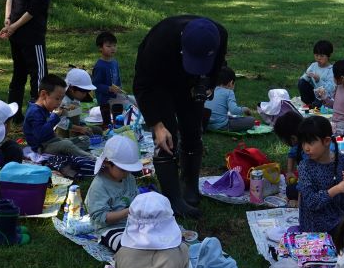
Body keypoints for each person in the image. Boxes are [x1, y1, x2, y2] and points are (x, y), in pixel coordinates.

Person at [133, 15, 228, 218]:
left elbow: (217, 66)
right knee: (167, 138)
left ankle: (190, 187)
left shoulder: (219, 35)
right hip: (160, 85)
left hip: (192, 85)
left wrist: (207, 85)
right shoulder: (159, 42)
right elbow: (142, 86)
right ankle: (173, 199)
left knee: (193, 130)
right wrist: (156, 124)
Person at [0, 0, 74, 117]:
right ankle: (38, 116)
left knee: (19, 74)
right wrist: (15, 25)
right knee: (40, 76)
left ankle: (13, 115)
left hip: (16, 34)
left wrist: (8, 20)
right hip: (31, 34)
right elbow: (35, 8)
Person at [297, 115, 344, 233]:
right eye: (303, 143)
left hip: (339, 216)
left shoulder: (341, 160)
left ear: (327, 141)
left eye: (310, 142)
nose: (306, 148)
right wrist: (337, 189)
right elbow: (311, 202)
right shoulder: (305, 166)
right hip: (315, 225)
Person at [86, 134, 143, 253]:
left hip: (133, 222)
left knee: (158, 233)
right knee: (126, 246)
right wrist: (129, 211)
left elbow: (135, 197)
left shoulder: (128, 177)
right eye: (123, 169)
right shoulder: (99, 186)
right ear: (107, 163)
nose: (127, 173)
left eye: (130, 169)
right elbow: (101, 218)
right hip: (110, 229)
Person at [22, 74, 94, 159]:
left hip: (53, 142)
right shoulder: (34, 112)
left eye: (61, 99)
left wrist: (63, 112)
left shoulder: (45, 107)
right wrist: (55, 116)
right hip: (41, 148)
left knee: (84, 140)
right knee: (66, 145)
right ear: (44, 94)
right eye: (57, 99)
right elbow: (40, 135)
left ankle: (68, 153)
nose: (59, 102)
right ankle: (92, 158)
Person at [56, 68, 97, 145]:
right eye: (83, 92)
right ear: (71, 88)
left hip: (74, 128)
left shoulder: (75, 97)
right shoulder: (61, 100)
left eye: (87, 92)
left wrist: (83, 126)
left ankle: (75, 139)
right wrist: (80, 129)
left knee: (97, 130)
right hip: (60, 131)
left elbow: (76, 117)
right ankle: (70, 141)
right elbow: (59, 122)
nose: (85, 95)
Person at [206, 67, 254, 132]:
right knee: (251, 120)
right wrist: (245, 109)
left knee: (229, 116)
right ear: (231, 83)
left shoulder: (210, 90)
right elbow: (234, 110)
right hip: (221, 125)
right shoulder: (229, 92)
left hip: (206, 124)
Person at [92, 31, 126, 118]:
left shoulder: (114, 62)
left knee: (135, 101)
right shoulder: (100, 66)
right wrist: (109, 89)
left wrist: (120, 88)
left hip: (115, 96)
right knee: (127, 108)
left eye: (114, 45)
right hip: (105, 101)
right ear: (100, 48)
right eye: (109, 46)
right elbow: (95, 85)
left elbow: (117, 79)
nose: (113, 48)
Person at [273, 111, 305, 205]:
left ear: (293, 138)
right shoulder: (298, 144)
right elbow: (291, 155)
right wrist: (290, 171)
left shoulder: (308, 150)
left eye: (284, 140)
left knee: (291, 191)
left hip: (316, 185)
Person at [297, 39, 335, 108]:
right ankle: (308, 103)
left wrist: (318, 81)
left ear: (329, 56)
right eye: (316, 55)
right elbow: (303, 79)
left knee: (319, 101)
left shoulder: (331, 70)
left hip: (324, 97)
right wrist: (307, 76)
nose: (318, 58)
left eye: (322, 56)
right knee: (301, 82)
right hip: (313, 95)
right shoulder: (313, 65)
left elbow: (329, 90)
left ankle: (315, 105)